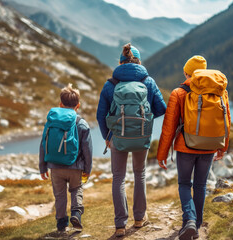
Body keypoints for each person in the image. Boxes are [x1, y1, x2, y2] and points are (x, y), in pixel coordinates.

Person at [156, 56, 231, 240]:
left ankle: (189, 220)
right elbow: (226, 120)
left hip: (185, 146)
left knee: (184, 184)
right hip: (210, 146)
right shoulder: (220, 91)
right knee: (200, 185)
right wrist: (223, 146)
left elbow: (169, 127)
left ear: (186, 72)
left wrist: (162, 153)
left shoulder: (179, 92)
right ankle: (196, 226)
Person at [97, 43, 166, 237]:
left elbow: (100, 115)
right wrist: (144, 121)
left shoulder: (110, 84)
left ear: (120, 62)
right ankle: (139, 219)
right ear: (139, 62)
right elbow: (161, 109)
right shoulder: (148, 81)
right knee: (139, 174)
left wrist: (107, 137)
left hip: (117, 137)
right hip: (141, 137)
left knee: (118, 178)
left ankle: (120, 225)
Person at [39, 83, 93, 232]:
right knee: (76, 189)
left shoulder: (51, 122)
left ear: (60, 104)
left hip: (55, 167)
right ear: (78, 105)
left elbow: (43, 143)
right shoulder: (81, 123)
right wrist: (87, 169)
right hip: (75, 166)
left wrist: (42, 166)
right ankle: (76, 213)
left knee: (60, 195)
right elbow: (87, 149)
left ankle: (61, 224)